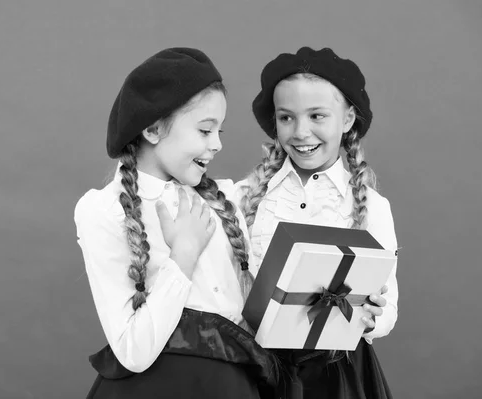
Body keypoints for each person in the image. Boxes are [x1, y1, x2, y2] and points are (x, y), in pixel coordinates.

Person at [74, 47, 277, 399]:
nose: (216, 145)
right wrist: (182, 255)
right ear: (152, 129)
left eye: (220, 132)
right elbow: (132, 352)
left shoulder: (223, 200)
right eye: (204, 130)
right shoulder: (104, 210)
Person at [236, 46, 398, 398]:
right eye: (286, 117)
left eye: (317, 116)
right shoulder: (244, 196)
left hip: (338, 374)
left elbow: (388, 310)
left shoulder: (373, 207)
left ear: (348, 120)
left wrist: (372, 315)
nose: (301, 132)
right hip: (258, 369)